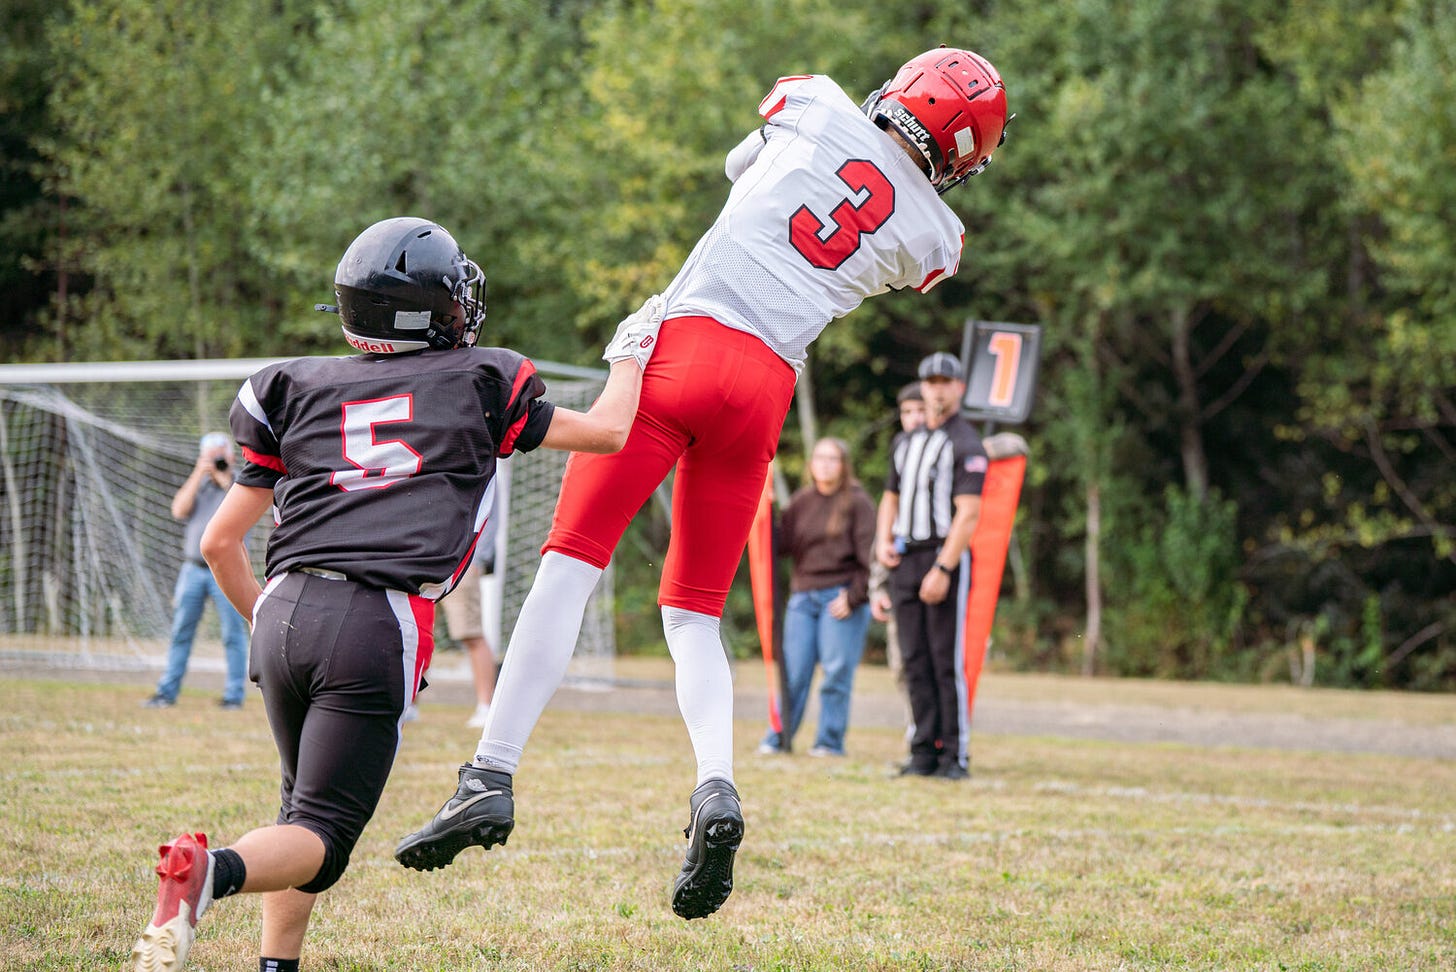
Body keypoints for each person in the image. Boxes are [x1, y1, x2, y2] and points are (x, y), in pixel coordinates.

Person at [396, 47, 1009, 922]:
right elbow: (880, 226)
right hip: (764, 389)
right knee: (691, 613)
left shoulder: (818, 103)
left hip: (682, 345)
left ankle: (490, 772)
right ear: (961, 155)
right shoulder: (935, 239)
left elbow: (740, 165)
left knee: (570, 566)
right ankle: (715, 785)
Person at [129, 216, 660, 972]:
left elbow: (220, 543)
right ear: (430, 312)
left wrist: (267, 623)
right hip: (373, 616)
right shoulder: (478, 379)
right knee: (323, 840)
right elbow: (611, 433)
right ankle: (209, 872)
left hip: (280, 606)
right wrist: (632, 351)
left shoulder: (293, 385)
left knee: (299, 810)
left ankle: (277, 965)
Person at [875, 352, 988, 781]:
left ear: (958, 387)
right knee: (913, 657)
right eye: (931, 382)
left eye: (946, 382)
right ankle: (922, 750)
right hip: (907, 554)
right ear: (923, 387)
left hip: (943, 553)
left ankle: (954, 754)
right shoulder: (906, 441)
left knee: (945, 659)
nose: (938, 389)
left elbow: (969, 513)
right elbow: (891, 495)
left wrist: (943, 567)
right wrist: (885, 540)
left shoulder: (965, 443)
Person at [756, 437, 876, 757]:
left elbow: (871, 558)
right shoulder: (801, 501)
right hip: (803, 598)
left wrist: (854, 597)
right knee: (793, 673)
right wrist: (765, 514)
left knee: (835, 673)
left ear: (843, 465)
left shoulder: (858, 503)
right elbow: (781, 548)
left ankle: (829, 741)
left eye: (832, 459)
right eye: (820, 458)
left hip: (840, 599)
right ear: (811, 464)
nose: (825, 464)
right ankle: (779, 738)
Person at [143, 432, 250, 711]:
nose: (216, 460)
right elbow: (178, 510)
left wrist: (224, 478)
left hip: (227, 569)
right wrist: (199, 473)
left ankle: (234, 696)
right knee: (181, 631)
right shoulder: (198, 483)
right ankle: (167, 692)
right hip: (192, 570)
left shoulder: (240, 483)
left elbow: (241, 510)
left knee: (232, 634)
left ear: (230, 455)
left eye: (220, 454)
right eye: (210, 455)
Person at [868, 382, 928, 739]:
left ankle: (936, 729)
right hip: (900, 572)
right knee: (901, 662)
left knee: (932, 658)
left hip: (935, 568)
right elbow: (887, 526)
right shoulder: (900, 451)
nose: (914, 418)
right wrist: (877, 584)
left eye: (920, 410)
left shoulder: (950, 448)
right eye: (906, 412)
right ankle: (914, 723)